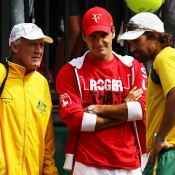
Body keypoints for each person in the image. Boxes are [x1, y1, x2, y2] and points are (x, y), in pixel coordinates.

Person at [56, 6, 147, 175]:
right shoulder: (70, 71)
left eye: (103, 35)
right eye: (93, 36)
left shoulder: (133, 67)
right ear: (83, 36)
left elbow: (141, 109)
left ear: (113, 32)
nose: (98, 43)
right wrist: (124, 110)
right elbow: (76, 120)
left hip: (128, 162)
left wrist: (95, 109)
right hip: (87, 163)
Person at [118, 12, 175, 175]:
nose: (132, 48)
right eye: (130, 43)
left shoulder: (164, 58)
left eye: (137, 41)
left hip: (166, 155)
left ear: (156, 37)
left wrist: (160, 138)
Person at [0, 23, 58, 175]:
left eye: (41, 45)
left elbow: (48, 138)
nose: (39, 51)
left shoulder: (42, 83)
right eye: (32, 44)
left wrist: (49, 171)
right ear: (14, 47)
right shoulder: (1, 74)